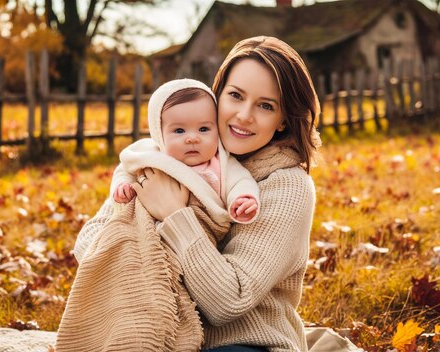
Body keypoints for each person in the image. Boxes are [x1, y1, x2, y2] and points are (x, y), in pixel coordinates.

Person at [73, 36, 360, 351]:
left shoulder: (287, 186)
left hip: (246, 343)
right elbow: (89, 241)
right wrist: (134, 250)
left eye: (266, 105)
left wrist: (174, 215)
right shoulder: (174, 153)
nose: (244, 115)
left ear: (281, 120)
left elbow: (228, 303)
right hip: (163, 332)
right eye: (235, 95)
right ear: (216, 95)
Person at [111, 78, 260, 229]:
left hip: (200, 229)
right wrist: (122, 186)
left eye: (203, 129)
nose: (192, 139)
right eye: (179, 131)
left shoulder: (221, 162)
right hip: (147, 224)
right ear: (159, 133)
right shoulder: (151, 155)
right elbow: (125, 169)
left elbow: (241, 181)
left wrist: (242, 199)